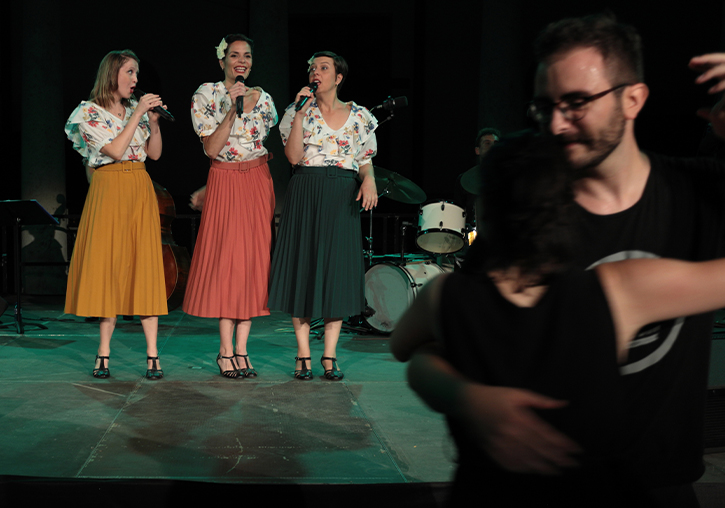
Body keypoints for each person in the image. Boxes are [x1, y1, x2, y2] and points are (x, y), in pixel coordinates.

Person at [394, 13, 725, 507]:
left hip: (658, 485)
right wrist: (464, 398)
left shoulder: (698, 191)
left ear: (632, 99)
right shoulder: (527, 208)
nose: (555, 123)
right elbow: (429, 346)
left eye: (576, 103)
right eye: (544, 106)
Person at [268, 51, 378, 380]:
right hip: (306, 189)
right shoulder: (295, 112)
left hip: (342, 193)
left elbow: (365, 160)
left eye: (323, 68)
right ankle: (303, 353)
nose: (316, 72)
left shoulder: (359, 115)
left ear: (338, 78)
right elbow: (292, 156)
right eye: (312, 67)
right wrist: (300, 115)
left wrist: (369, 180)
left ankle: (329, 355)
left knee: (337, 273)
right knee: (304, 268)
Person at [64, 49, 168, 380]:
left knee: (144, 267)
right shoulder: (88, 113)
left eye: (137, 74)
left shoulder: (133, 112)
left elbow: (153, 154)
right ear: (112, 74)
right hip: (109, 189)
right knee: (109, 268)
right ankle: (103, 353)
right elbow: (115, 150)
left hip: (139, 187)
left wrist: (151, 122)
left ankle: (153, 355)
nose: (136, 80)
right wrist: (137, 114)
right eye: (130, 73)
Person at [181, 34, 278, 379]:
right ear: (222, 60)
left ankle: (243, 349)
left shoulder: (264, 98)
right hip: (223, 179)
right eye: (235, 55)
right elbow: (211, 148)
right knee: (227, 262)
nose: (242, 61)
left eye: (247, 56)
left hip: (257, 178)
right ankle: (224, 351)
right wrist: (231, 109)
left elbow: (262, 141)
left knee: (252, 262)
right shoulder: (206, 94)